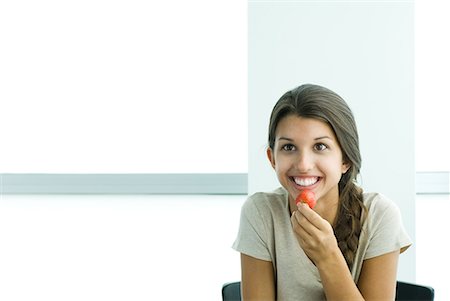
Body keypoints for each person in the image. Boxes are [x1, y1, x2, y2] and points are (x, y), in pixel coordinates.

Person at [232, 84, 412, 300]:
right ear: (272, 159)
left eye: (320, 147)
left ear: (345, 159)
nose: (304, 164)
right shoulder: (261, 212)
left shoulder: (379, 215)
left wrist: (327, 256)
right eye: (289, 147)